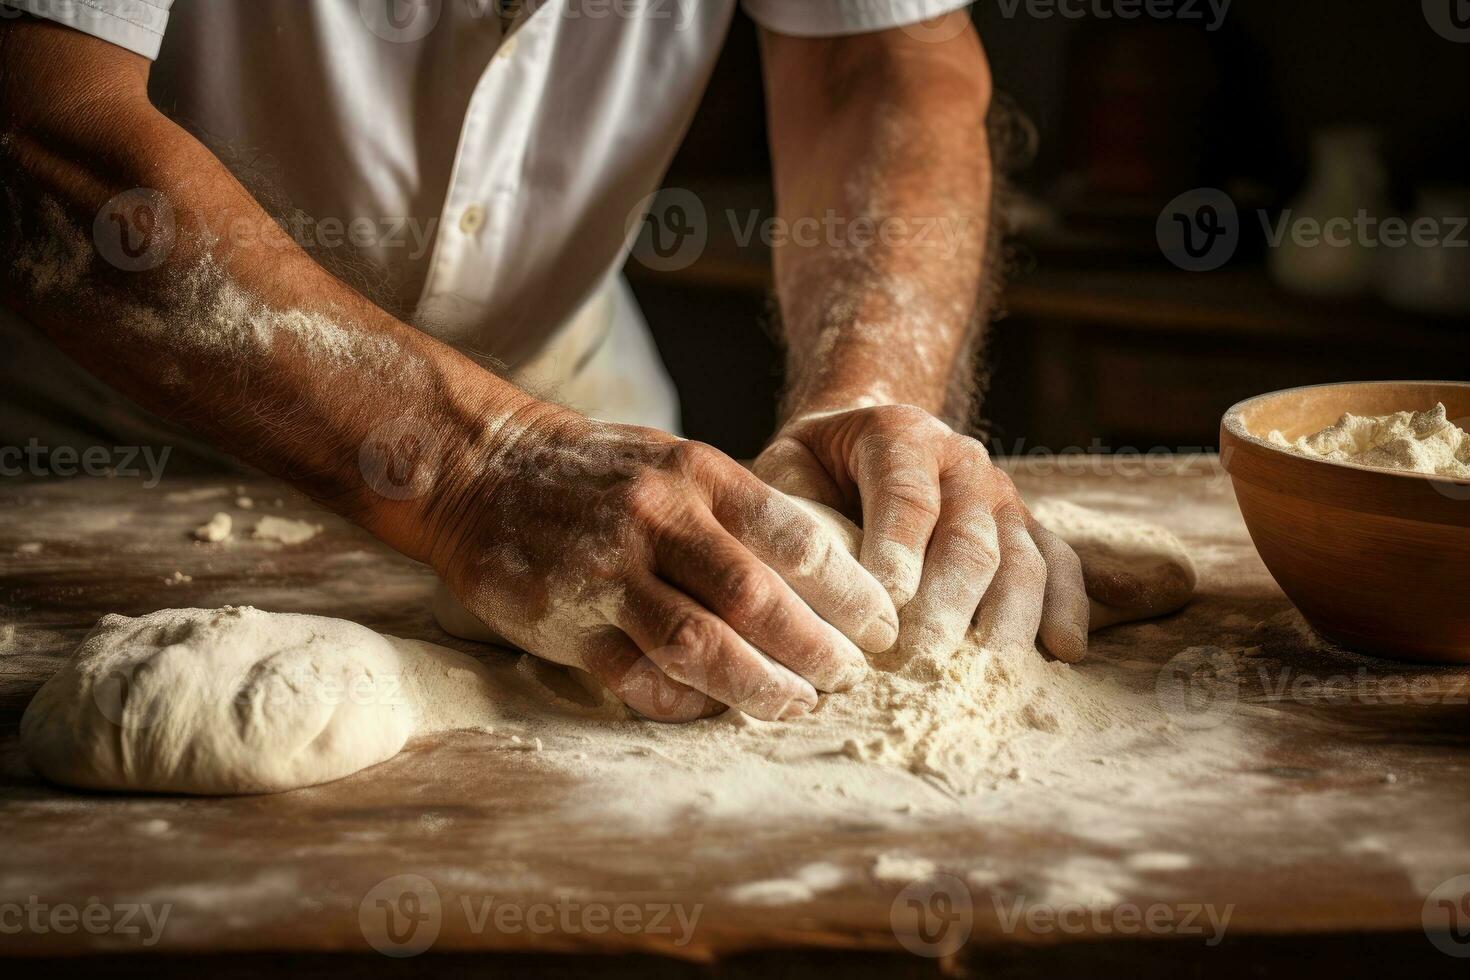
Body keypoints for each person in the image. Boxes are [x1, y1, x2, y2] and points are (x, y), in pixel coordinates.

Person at [0, 0, 1088, 723]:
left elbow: (882, 56)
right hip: (100, 395)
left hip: (565, 397)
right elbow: (36, 111)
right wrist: (469, 466)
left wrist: (871, 387)